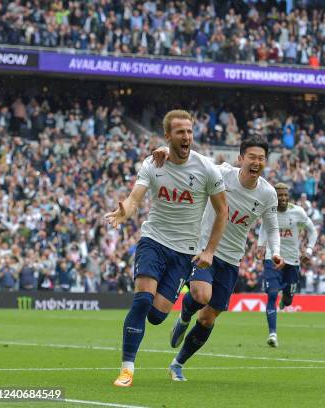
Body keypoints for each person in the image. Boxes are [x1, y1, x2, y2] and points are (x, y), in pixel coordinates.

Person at [105, 110, 228, 387]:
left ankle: (178, 314)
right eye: (180, 132)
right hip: (153, 241)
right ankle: (127, 369)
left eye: (189, 131)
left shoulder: (206, 168)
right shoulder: (154, 163)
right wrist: (126, 210)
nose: (186, 137)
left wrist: (209, 250)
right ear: (168, 136)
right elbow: (136, 197)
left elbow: (222, 211)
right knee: (142, 300)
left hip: (184, 253)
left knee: (157, 316)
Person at [152, 137, 284, 382]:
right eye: (252, 157)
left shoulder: (267, 193)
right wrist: (167, 151)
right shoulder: (223, 173)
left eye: (261, 158)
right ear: (240, 159)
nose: (256, 162)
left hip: (232, 259)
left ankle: (177, 363)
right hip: (204, 248)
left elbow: (272, 227)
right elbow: (194, 161)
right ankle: (183, 317)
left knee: (208, 318)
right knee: (201, 295)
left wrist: (275, 251)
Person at [257, 182, 318, 347]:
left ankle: (286, 299)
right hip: (273, 257)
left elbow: (312, 231)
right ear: (275, 196)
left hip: (292, 261)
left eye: (285, 195)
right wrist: (261, 245)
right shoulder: (269, 211)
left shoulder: (298, 212)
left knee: (289, 299)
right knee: (271, 294)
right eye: (279, 195)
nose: (283, 198)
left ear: (288, 196)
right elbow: (264, 228)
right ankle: (273, 334)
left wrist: (309, 251)